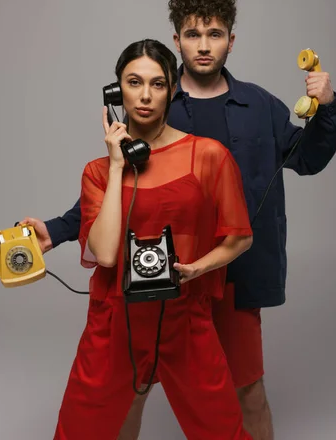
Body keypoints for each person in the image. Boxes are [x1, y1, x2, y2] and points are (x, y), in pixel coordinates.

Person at [21, 0, 336, 440]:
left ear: (231, 40)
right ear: (176, 41)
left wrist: (327, 106)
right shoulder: (152, 100)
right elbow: (122, 192)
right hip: (158, 276)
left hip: (234, 272)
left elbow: (308, 158)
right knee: (132, 387)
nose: (204, 45)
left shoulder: (260, 106)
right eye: (193, 34)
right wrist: (57, 230)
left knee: (246, 389)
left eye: (215, 34)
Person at [52, 39, 254, 440]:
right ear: (116, 92)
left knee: (222, 432)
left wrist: (198, 268)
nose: (144, 96)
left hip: (186, 315)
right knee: (79, 431)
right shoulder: (96, 172)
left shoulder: (208, 156)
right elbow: (106, 254)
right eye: (133, 82)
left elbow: (239, 238)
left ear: (172, 90)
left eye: (157, 84)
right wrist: (115, 167)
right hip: (114, 322)